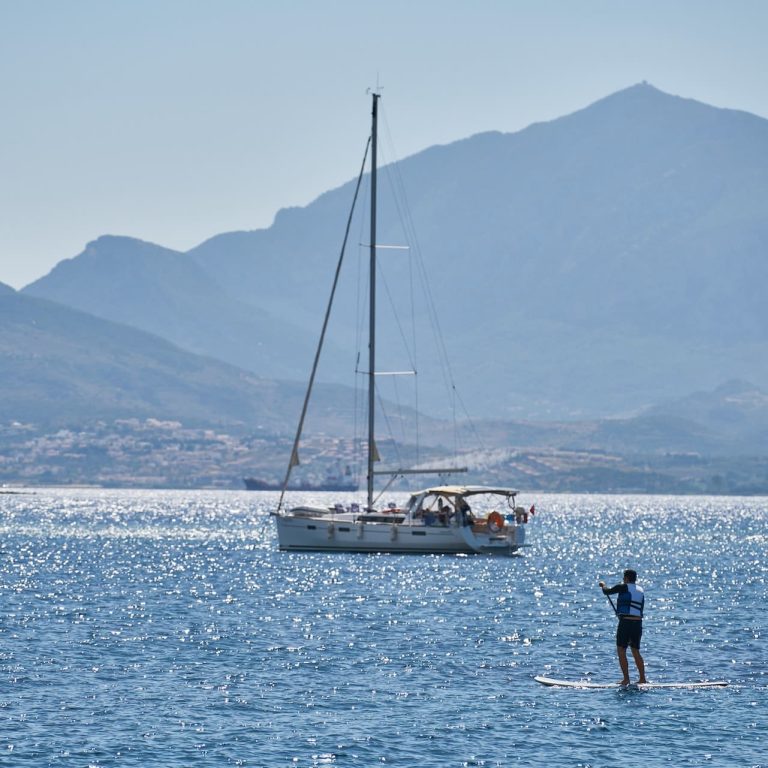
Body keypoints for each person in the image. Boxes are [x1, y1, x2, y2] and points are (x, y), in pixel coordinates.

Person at [599, 569, 647, 686]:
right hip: (638, 624)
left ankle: (626, 679)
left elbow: (607, 592)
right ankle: (642, 679)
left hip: (626, 623)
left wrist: (603, 585)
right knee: (635, 651)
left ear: (626, 578)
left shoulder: (623, 587)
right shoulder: (641, 590)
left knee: (621, 650)